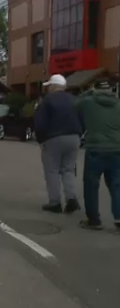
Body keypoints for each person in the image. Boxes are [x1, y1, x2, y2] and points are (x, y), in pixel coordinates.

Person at [34, 74, 84, 213]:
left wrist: (41, 139)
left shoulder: (47, 101)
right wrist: (79, 134)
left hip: (53, 138)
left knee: (52, 170)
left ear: (52, 86)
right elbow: (82, 118)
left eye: (49, 86)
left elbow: (40, 123)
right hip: (74, 137)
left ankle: (55, 202)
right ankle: (71, 198)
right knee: (68, 169)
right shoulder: (75, 100)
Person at [75, 80, 120, 231]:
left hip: (95, 149)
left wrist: (88, 91)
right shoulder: (118, 103)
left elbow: (75, 104)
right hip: (116, 149)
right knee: (116, 185)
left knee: (91, 185)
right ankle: (119, 217)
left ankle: (94, 220)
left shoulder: (88, 102)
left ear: (95, 90)